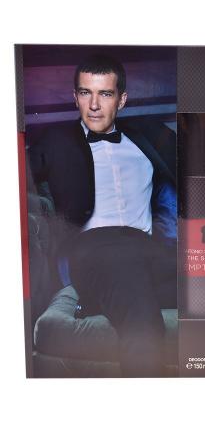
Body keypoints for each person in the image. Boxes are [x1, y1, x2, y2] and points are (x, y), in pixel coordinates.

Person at [29, 54, 177, 377]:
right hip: (95, 248)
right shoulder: (57, 141)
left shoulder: (149, 137)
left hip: (149, 248)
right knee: (141, 317)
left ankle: (99, 300)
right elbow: (19, 173)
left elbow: (195, 163)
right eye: (86, 93)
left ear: (121, 99)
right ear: (75, 97)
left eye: (105, 94)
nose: (94, 105)